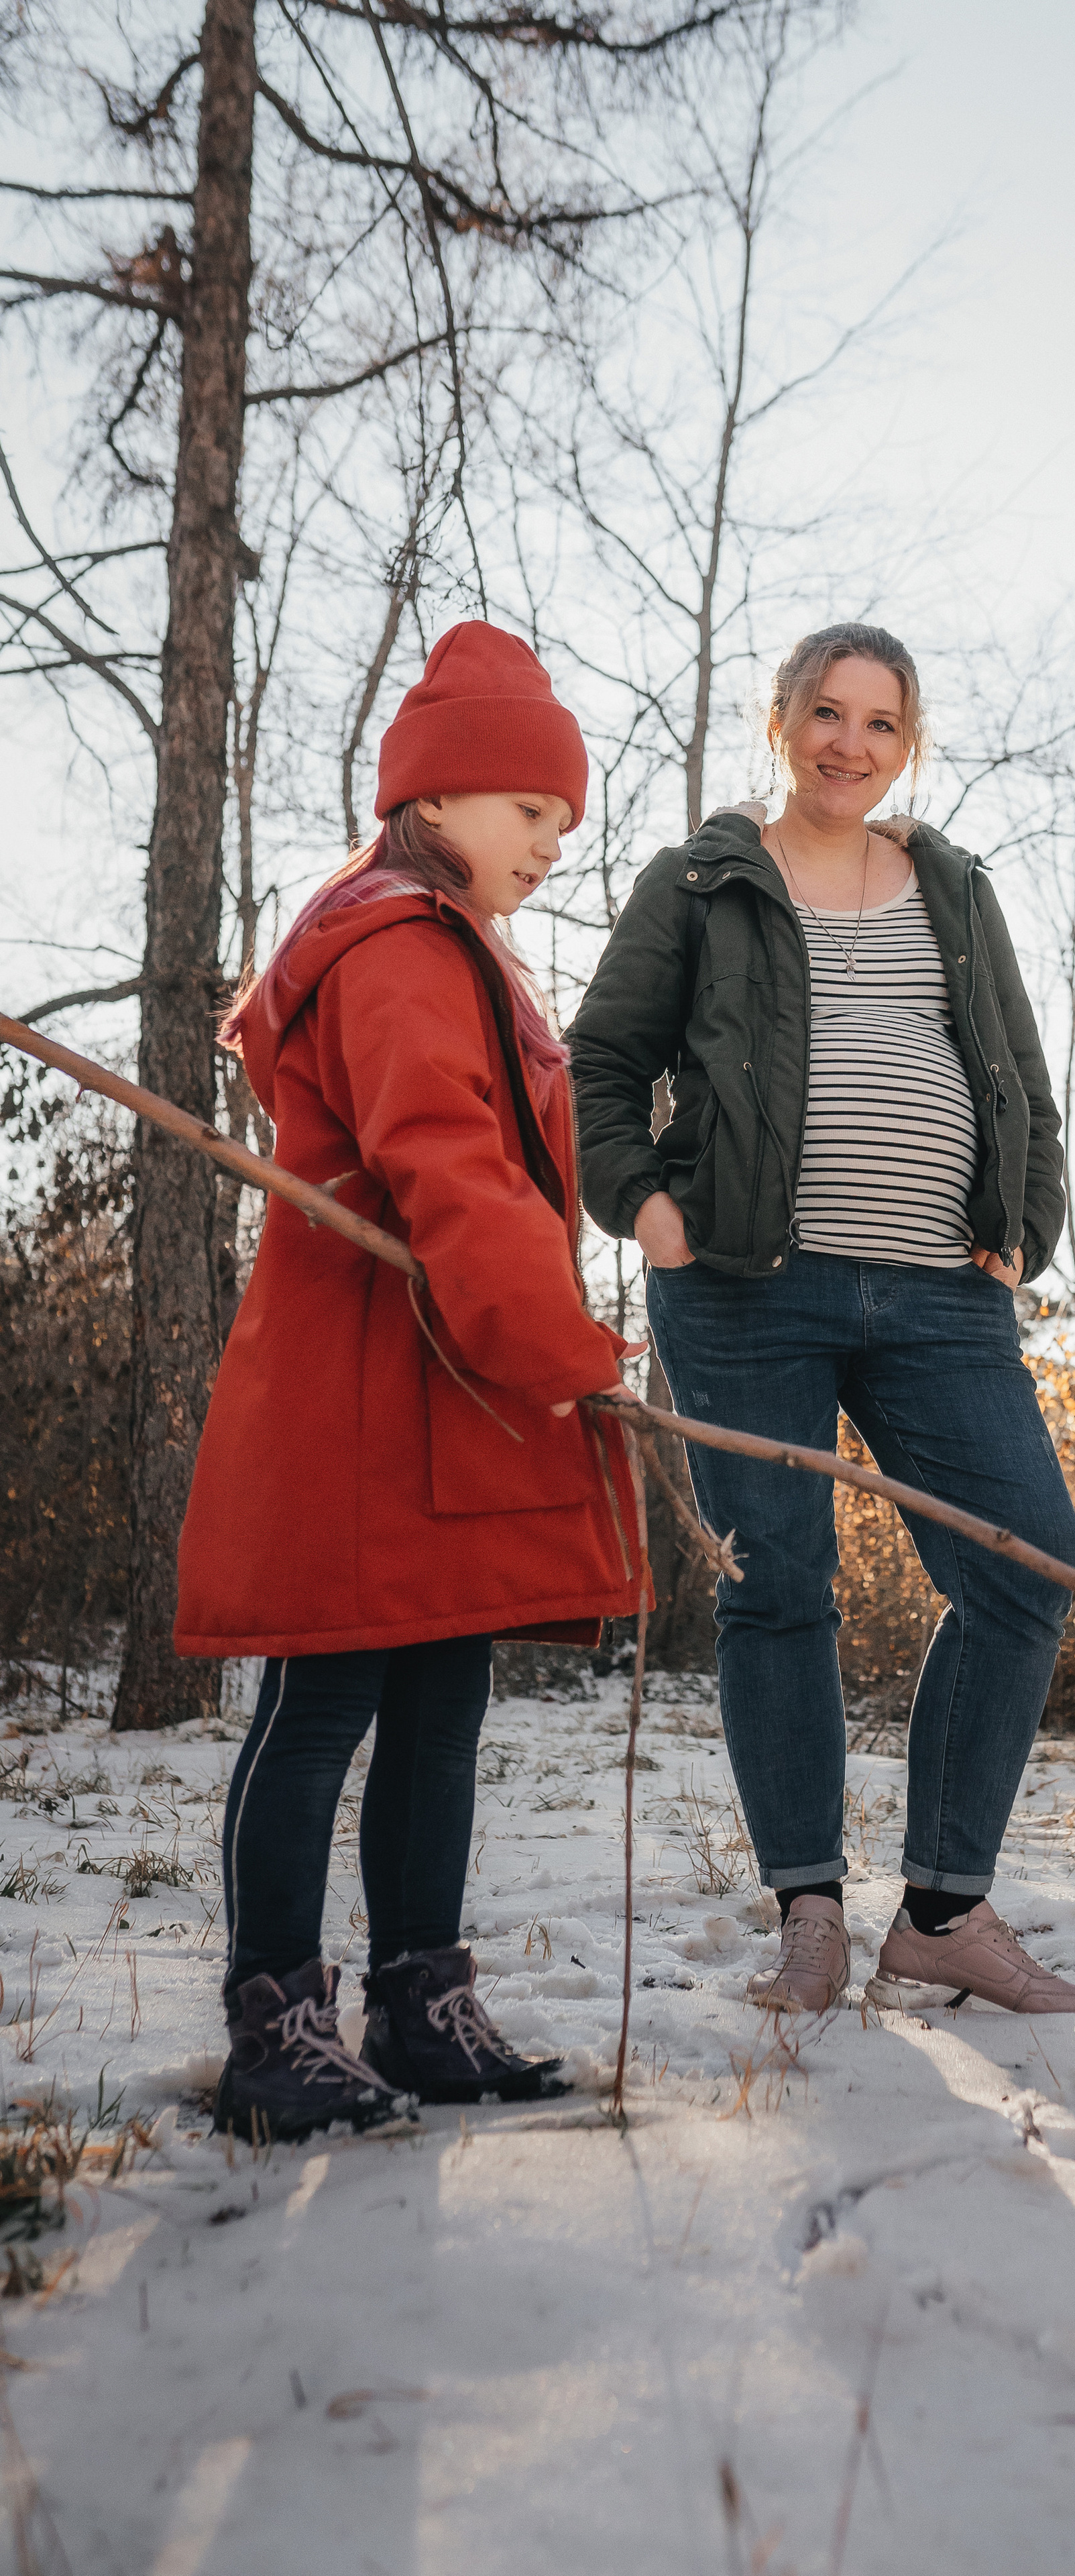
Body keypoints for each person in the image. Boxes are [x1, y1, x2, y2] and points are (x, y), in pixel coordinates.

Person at [572, 621, 1075, 2018]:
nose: (846, 743)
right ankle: (807, 1914)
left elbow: (1021, 1082)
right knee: (776, 1587)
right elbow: (602, 1060)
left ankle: (939, 1910)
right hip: (745, 1292)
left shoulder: (953, 886)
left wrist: (1021, 1231)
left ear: (905, 744)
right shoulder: (704, 879)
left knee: (1025, 1563)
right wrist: (644, 1207)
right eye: (823, 712)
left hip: (940, 1295)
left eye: (877, 722)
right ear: (781, 720)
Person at [176, 622, 648, 2140]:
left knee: (442, 1702)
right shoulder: (393, 946)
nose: (550, 849)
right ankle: (274, 2023)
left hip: (445, 1394)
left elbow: (507, 1179)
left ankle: (417, 2002)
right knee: (321, 1702)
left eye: (564, 825)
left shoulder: (459, 953)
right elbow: (442, 1162)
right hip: (357, 1392)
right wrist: (564, 1354)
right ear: (435, 801)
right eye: (531, 813)